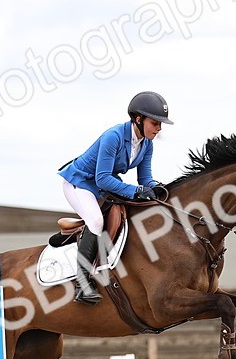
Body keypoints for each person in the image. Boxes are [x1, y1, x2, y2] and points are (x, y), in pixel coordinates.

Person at [57, 91, 173, 304]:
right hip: (79, 183)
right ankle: (82, 284)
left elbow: (145, 178)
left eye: (160, 124)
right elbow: (102, 179)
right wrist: (136, 191)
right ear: (138, 119)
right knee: (96, 220)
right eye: (155, 123)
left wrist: (159, 189)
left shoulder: (147, 144)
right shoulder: (114, 137)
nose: (159, 128)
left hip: (102, 187)